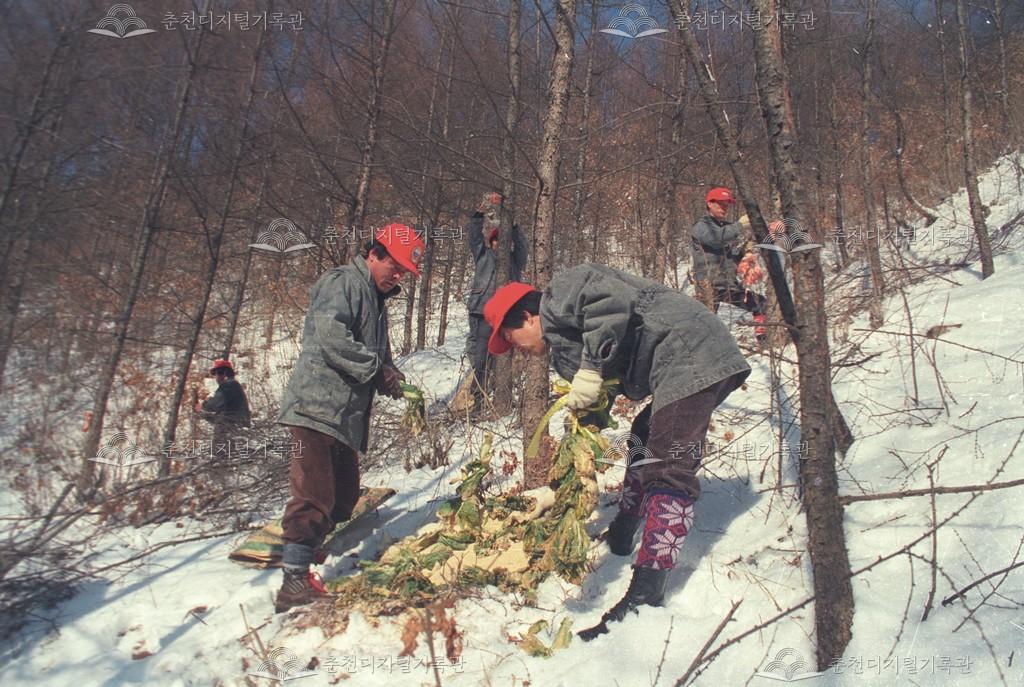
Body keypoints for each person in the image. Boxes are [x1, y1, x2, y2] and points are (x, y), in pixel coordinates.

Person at [482, 265, 750, 640]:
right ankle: (624, 529)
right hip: (678, 362)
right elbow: (599, 392)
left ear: (526, 316)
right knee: (644, 435)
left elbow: (611, 303)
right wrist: (582, 430)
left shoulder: (562, 292)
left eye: (510, 338)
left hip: (693, 349)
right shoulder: (562, 351)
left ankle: (646, 592)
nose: (516, 350)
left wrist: (590, 370)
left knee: (669, 463)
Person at [274, 223, 424, 613]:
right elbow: (332, 335)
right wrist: (376, 369)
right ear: (373, 254)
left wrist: (391, 377)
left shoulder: (376, 302)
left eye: (404, 272)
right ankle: (293, 580)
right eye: (395, 266)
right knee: (313, 494)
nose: (398, 275)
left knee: (343, 500)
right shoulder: (341, 282)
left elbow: (380, 357)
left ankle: (307, 549)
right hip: (316, 408)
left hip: (345, 416)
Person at [465, 192, 528, 413]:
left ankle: (506, 401)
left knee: (505, 359)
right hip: (483, 313)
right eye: (495, 241)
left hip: (507, 315)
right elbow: (473, 237)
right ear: (491, 242)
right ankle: (477, 402)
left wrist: (514, 225)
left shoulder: (514, 260)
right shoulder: (482, 255)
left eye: (503, 241)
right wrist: (479, 213)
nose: (498, 245)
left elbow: (522, 247)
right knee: (481, 359)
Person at [690, 187, 768, 340]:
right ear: (709, 204)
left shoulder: (726, 227)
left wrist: (746, 253)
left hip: (727, 285)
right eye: (720, 204)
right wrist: (740, 225)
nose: (724, 208)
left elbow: (731, 254)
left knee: (761, 304)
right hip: (708, 285)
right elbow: (717, 239)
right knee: (705, 327)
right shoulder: (701, 226)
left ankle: (764, 342)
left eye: (726, 204)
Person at [194, 359, 251, 459]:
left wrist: (202, 406)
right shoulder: (232, 388)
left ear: (224, 373)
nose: (216, 377)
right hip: (231, 431)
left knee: (223, 463)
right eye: (215, 374)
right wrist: (202, 414)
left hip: (230, 432)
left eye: (218, 373)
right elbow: (218, 417)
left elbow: (213, 405)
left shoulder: (229, 385)